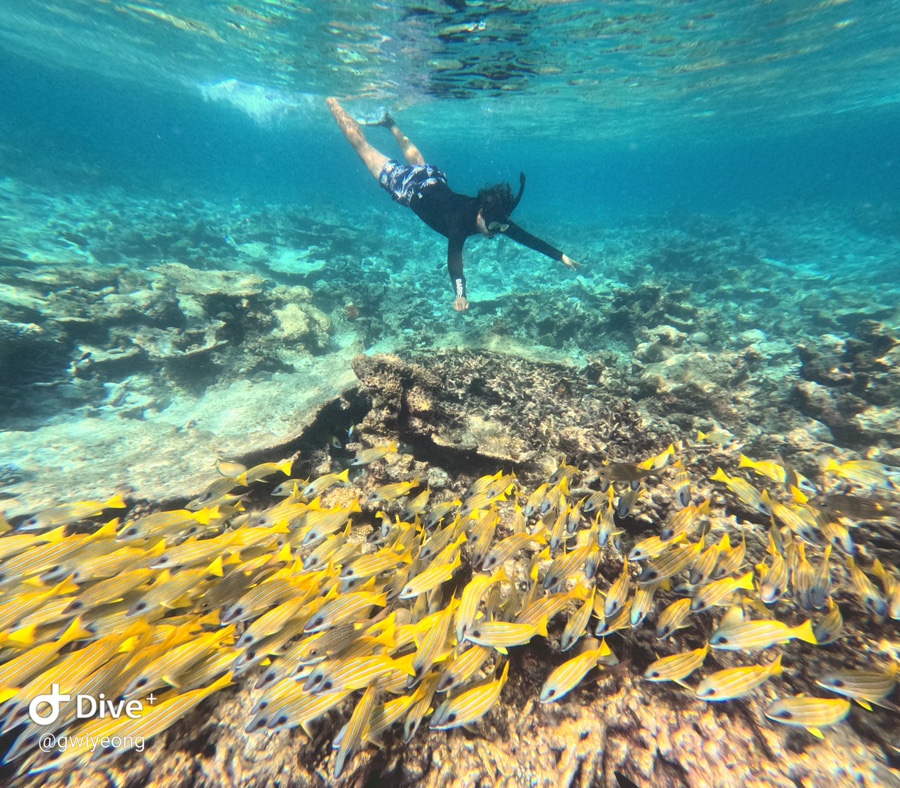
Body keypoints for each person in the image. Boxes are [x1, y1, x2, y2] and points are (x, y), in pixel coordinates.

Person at [326, 98, 580, 312]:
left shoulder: (495, 216)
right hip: (409, 187)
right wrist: (461, 294)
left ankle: (390, 123)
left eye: (499, 227)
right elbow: (454, 260)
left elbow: (526, 238)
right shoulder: (460, 224)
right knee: (364, 150)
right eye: (491, 226)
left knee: (418, 161)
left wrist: (560, 256)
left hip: (433, 178)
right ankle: (332, 101)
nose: (493, 232)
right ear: (481, 213)